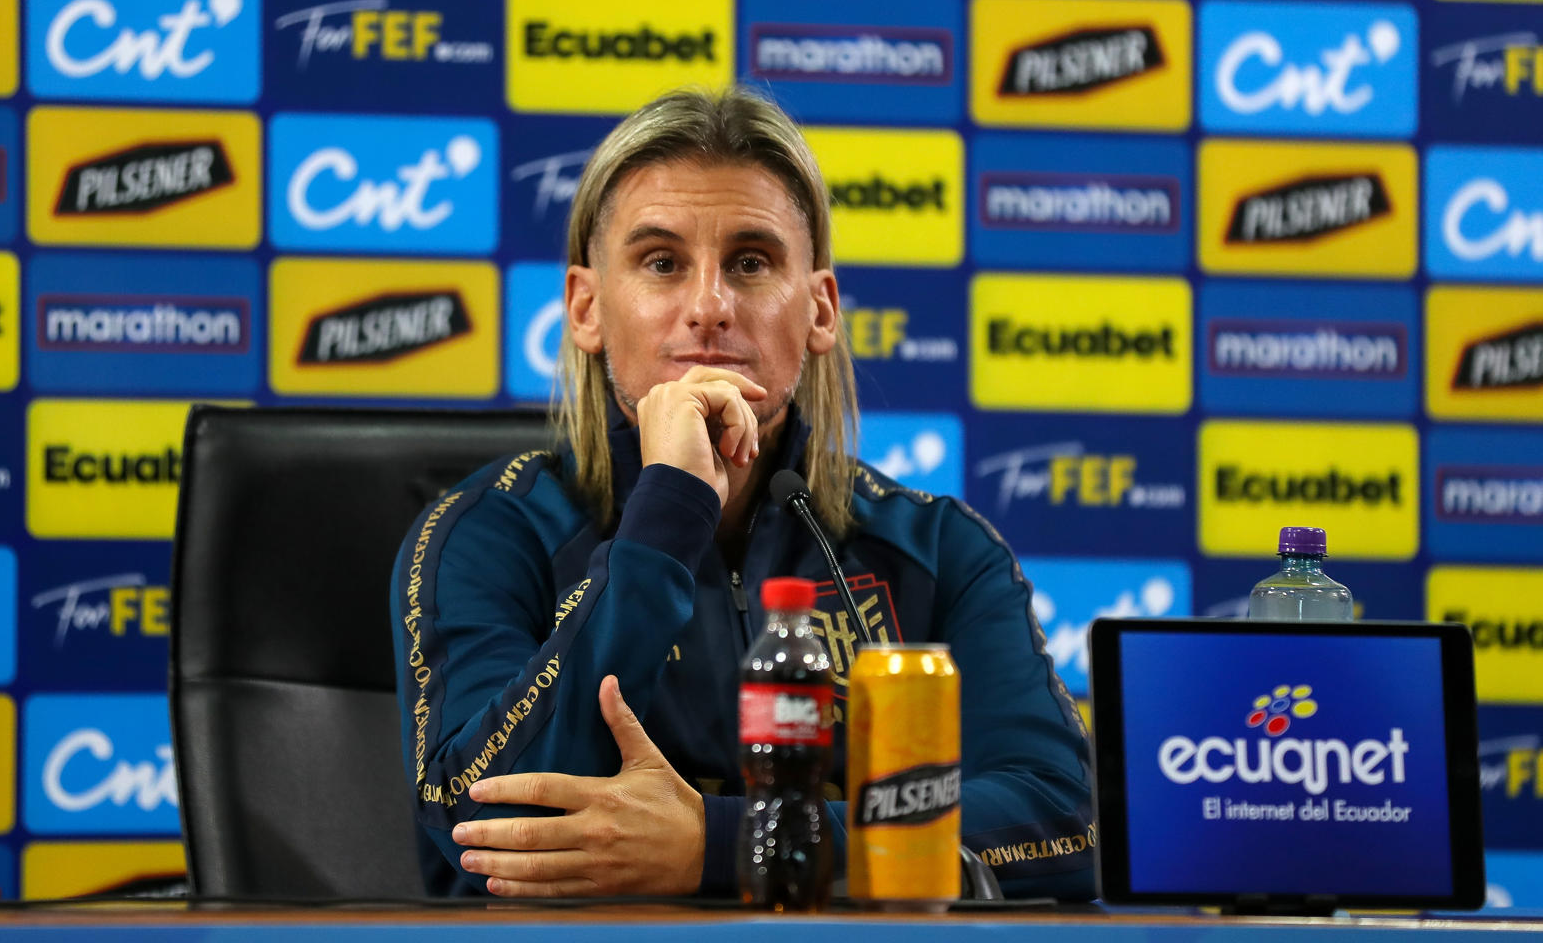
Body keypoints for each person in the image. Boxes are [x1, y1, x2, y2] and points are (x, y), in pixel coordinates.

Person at [389, 87, 1095, 900]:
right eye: (661, 262)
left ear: (820, 309)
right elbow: (484, 829)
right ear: (586, 308)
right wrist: (667, 514)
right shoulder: (488, 533)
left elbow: (1058, 829)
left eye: (752, 262)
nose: (710, 308)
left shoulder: (941, 551)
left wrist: (721, 847)